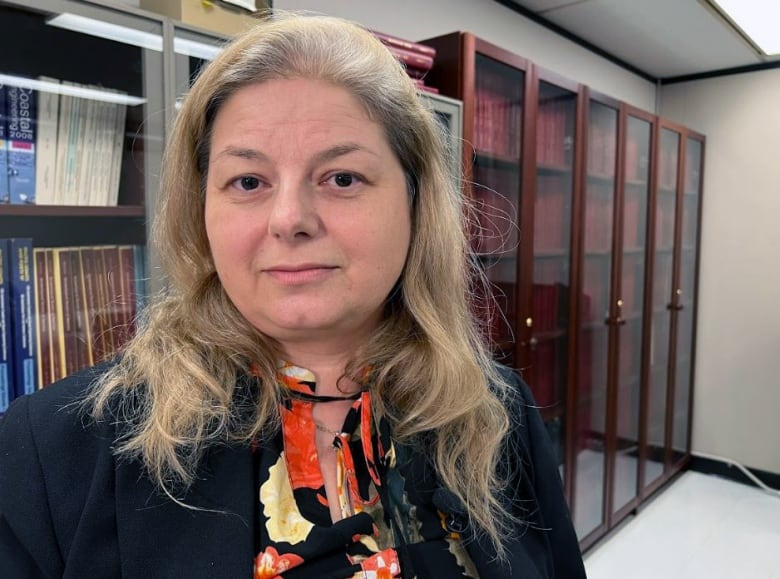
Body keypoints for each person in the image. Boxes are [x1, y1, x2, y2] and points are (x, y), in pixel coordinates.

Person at [0, 12, 586, 579]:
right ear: (201, 211)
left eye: (343, 178)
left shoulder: (494, 411)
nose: (290, 220)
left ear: (415, 204)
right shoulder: (50, 451)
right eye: (248, 182)